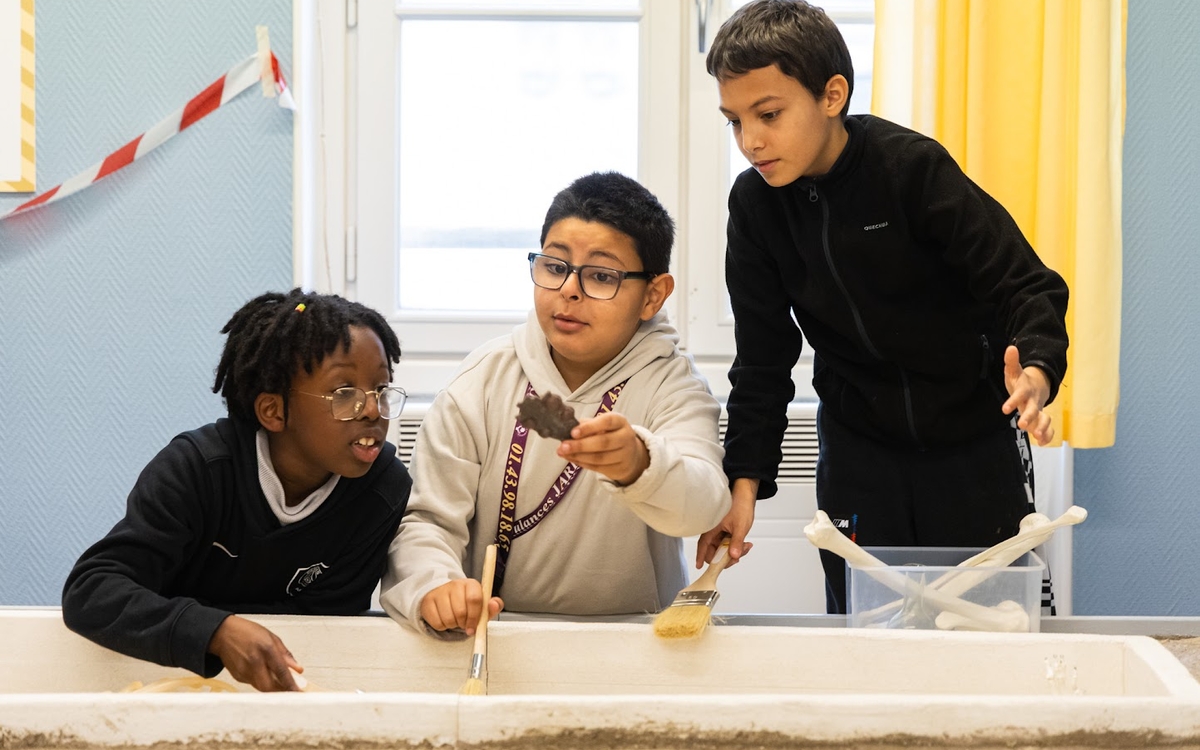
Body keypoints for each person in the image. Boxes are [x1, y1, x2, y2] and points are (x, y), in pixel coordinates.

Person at [695, 0, 1070, 614]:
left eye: (768, 114)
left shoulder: (909, 169)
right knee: (868, 631)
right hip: (857, 447)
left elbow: (1025, 283)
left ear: (831, 94)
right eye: (733, 121)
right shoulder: (755, 207)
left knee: (990, 628)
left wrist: (1035, 369)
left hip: (970, 438)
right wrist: (742, 491)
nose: (751, 141)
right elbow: (762, 358)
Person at [381, 172, 732, 637]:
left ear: (653, 295)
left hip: (636, 641)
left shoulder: (674, 386)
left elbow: (703, 504)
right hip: (493, 637)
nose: (569, 289)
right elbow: (427, 521)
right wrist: (435, 586)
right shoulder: (481, 381)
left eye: (602, 276)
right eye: (554, 266)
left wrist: (640, 464)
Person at [62, 289, 413, 691]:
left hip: (288, 687)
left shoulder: (382, 488)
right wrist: (216, 632)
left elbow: (327, 620)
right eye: (344, 393)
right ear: (274, 411)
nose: (372, 410)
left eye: (381, 389)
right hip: (163, 682)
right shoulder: (196, 470)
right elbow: (91, 591)